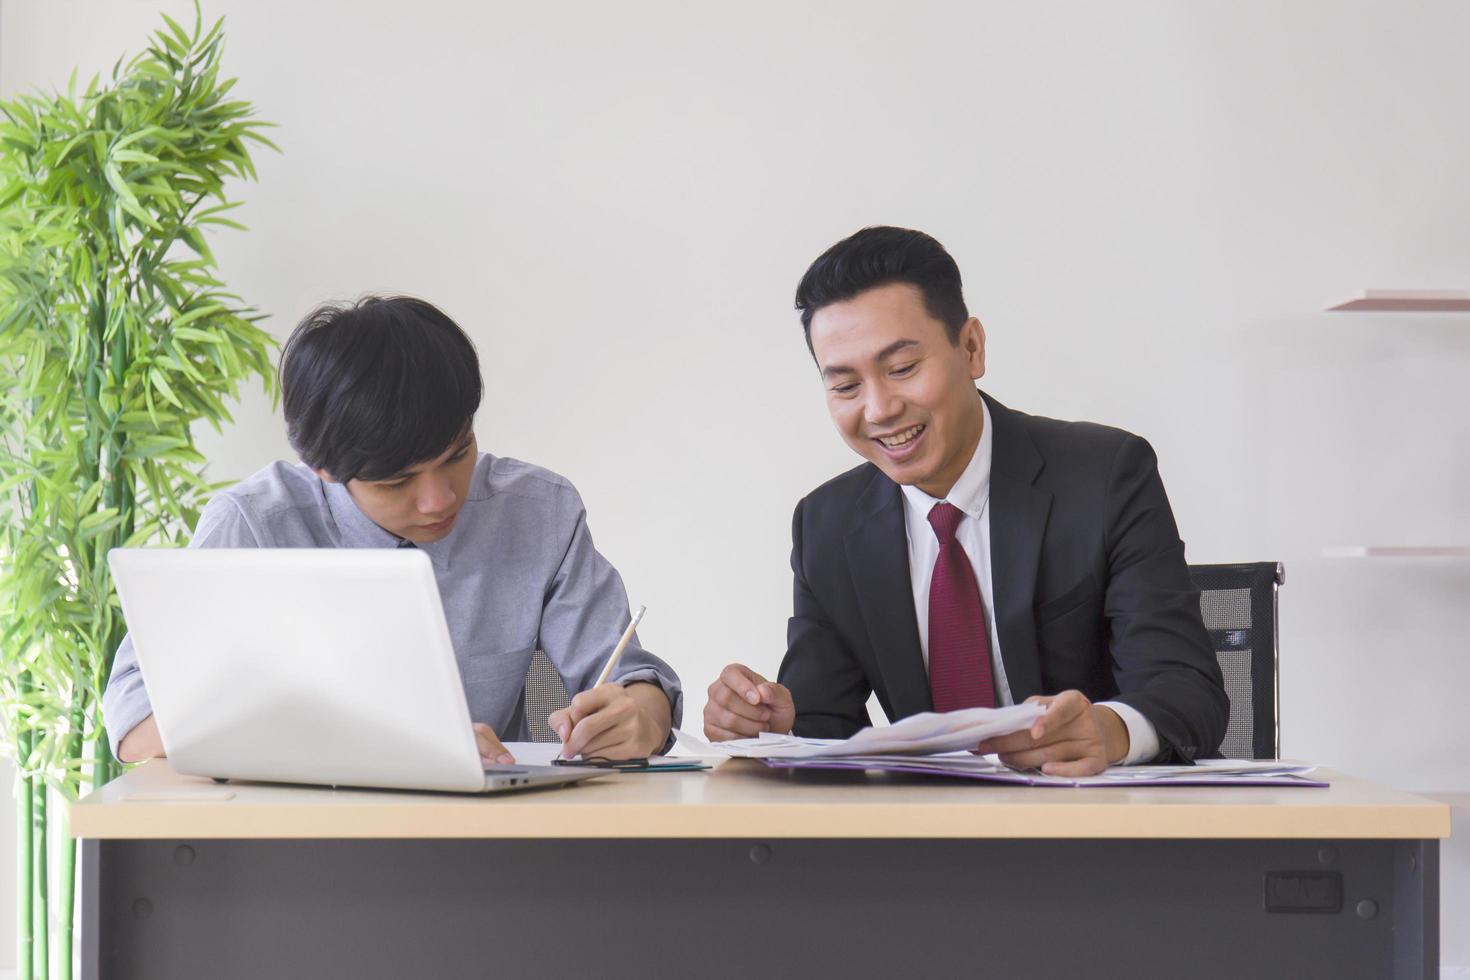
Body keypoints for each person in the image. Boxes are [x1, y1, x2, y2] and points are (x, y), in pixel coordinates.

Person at [704, 227, 1226, 775]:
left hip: (1093, 827)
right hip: (928, 846)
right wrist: (772, 725)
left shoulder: (1104, 476)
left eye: (902, 368)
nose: (879, 409)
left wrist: (1110, 730)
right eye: (845, 386)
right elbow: (825, 729)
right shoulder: (827, 526)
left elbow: (1188, 690)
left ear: (972, 348)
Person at [104, 296, 680, 764]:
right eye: (398, 479)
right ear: (324, 468)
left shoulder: (539, 512)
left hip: (492, 847)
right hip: (297, 848)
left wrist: (643, 716)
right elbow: (136, 725)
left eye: (457, 454)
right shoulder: (254, 526)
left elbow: (628, 674)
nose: (440, 498)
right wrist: (375, 742)